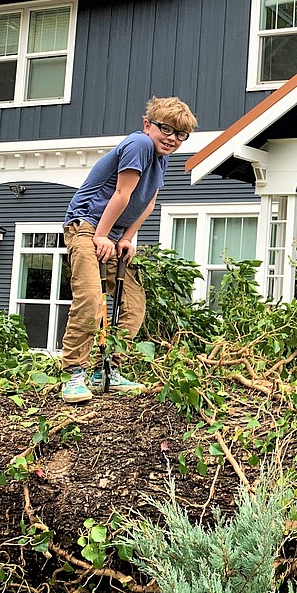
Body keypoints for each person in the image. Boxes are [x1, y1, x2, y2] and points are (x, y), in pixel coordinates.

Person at [58, 97, 198, 403]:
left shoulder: (162, 158)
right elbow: (122, 193)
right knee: (91, 299)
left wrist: (127, 237)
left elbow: (146, 202)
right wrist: (103, 234)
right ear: (148, 125)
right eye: (166, 129)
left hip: (112, 233)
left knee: (133, 304)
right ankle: (73, 374)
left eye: (180, 134)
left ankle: (106, 371)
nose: (172, 138)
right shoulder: (140, 144)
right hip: (86, 226)